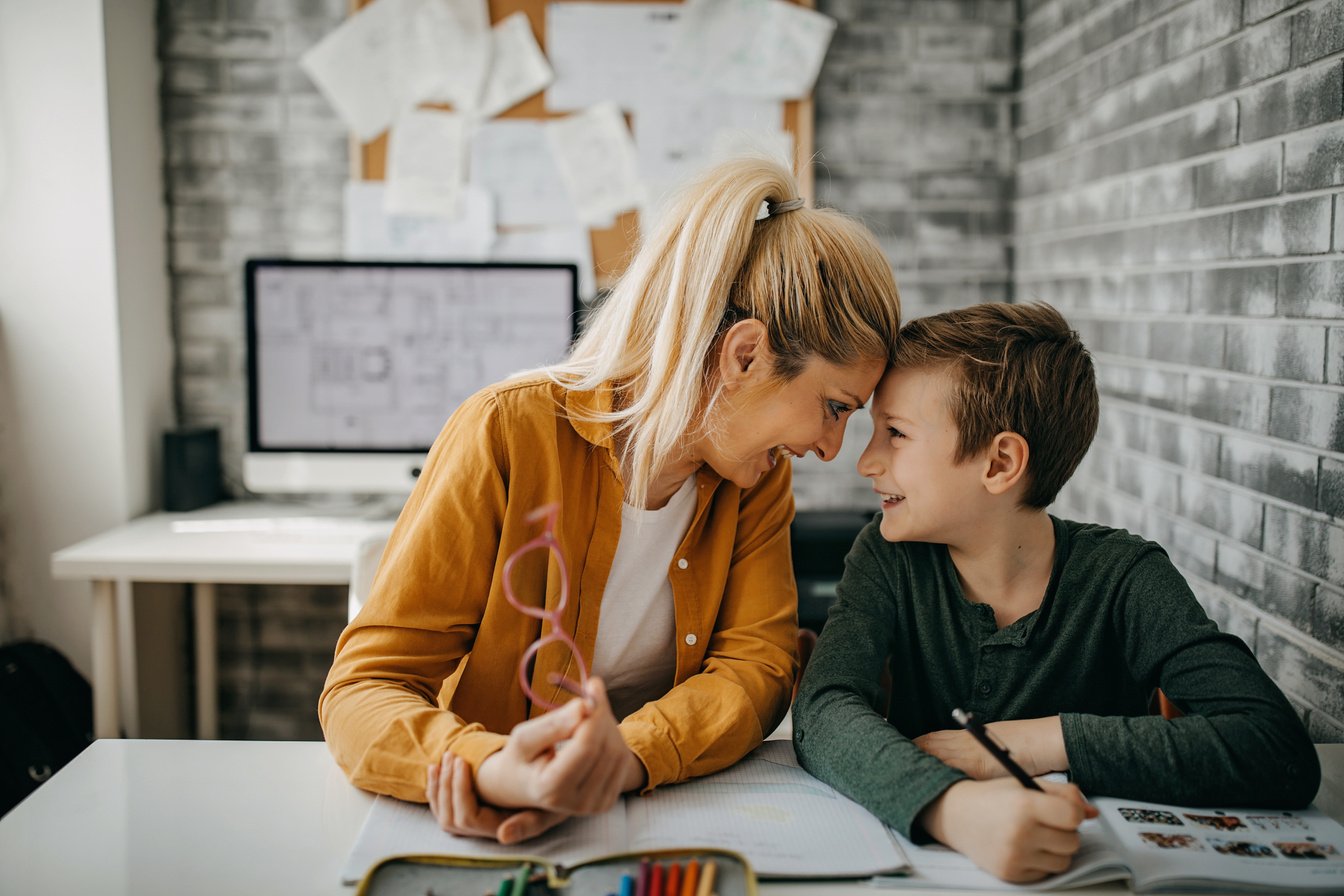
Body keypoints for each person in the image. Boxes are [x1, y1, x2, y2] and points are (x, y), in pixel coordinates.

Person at [319, 156, 902, 845]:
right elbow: (364, 689)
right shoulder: (505, 431)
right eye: (833, 407)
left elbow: (759, 666)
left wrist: (625, 759)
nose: (832, 448)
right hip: (497, 840)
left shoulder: (755, 482)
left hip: (650, 823)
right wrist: (490, 766)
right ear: (744, 356)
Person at [792, 302, 1321, 883]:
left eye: (895, 433)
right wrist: (954, 809)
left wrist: (1040, 741)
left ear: (999, 463)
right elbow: (823, 708)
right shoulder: (887, 558)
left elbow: (1276, 748)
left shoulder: (1126, 575)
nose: (866, 459)